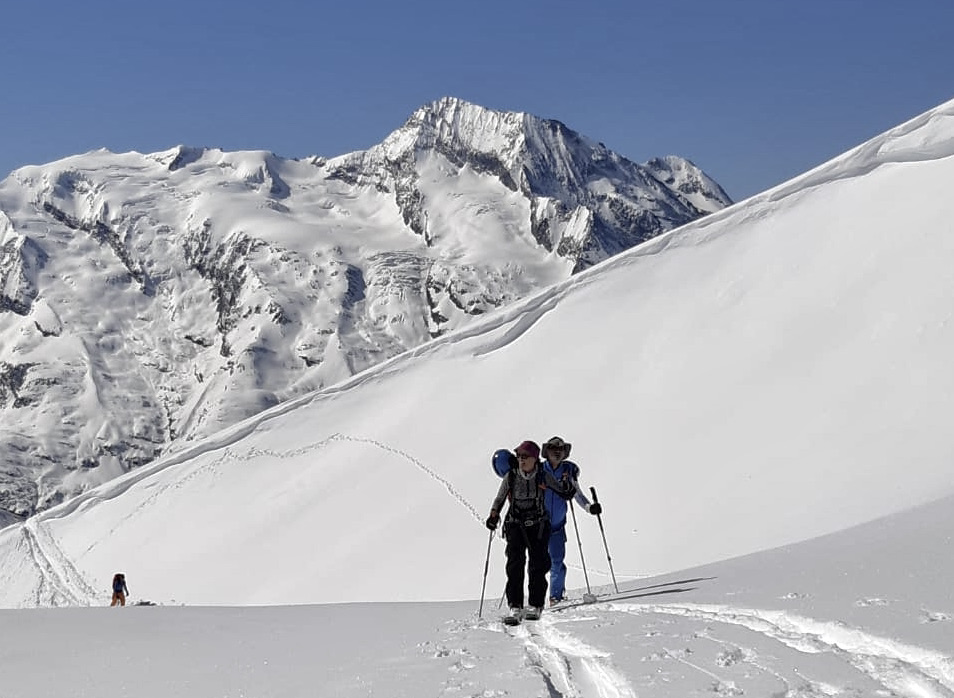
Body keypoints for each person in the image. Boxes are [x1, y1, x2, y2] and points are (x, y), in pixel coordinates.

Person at [485, 440, 575, 621]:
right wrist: (494, 515)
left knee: (537, 566)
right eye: (518, 456)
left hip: (538, 525)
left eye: (524, 456)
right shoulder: (511, 475)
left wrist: (569, 485)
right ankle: (515, 606)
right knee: (514, 566)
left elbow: (562, 491)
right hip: (515, 525)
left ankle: (535, 604)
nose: (521, 460)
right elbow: (500, 498)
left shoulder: (543, 475)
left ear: (534, 458)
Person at [540, 436, 602, 606]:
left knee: (557, 561)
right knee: (538, 563)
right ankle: (535, 599)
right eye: (553, 448)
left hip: (557, 527)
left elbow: (577, 494)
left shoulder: (568, 472)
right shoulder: (539, 470)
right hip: (538, 526)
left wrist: (589, 507)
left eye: (560, 449)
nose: (557, 451)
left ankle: (555, 597)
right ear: (547, 452)